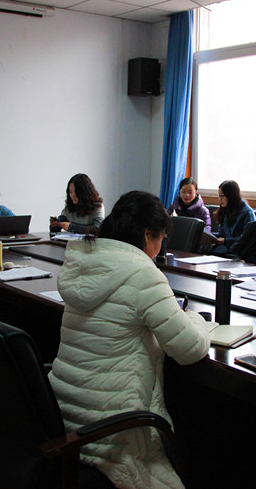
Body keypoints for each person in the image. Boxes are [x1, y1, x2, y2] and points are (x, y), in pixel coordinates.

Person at [48, 190, 210, 489]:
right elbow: (190, 349)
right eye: (161, 238)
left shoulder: (84, 265)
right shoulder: (143, 274)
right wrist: (196, 319)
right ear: (148, 234)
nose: (159, 249)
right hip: (113, 431)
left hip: (63, 417)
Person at [212, 180, 256, 254]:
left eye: (222, 196)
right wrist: (210, 236)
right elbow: (222, 234)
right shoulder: (225, 210)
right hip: (227, 249)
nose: (220, 199)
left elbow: (248, 239)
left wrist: (226, 241)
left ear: (230, 196)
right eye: (219, 196)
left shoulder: (247, 212)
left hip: (241, 252)